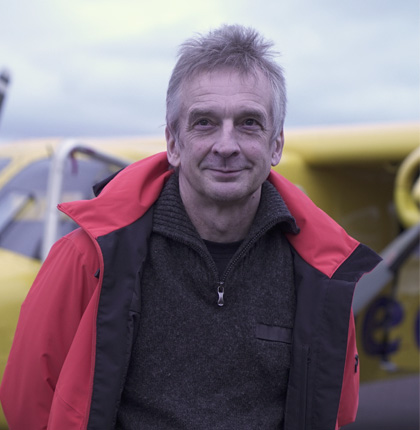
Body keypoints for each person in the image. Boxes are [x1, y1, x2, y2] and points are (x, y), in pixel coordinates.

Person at [0, 25, 381, 430]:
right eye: (204, 123)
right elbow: (30, 405)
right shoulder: (85, 257)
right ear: (173, 142)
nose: (226, 145)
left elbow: (334, 409)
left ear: (277, 145)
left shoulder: (322, 273)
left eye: (249, 123)